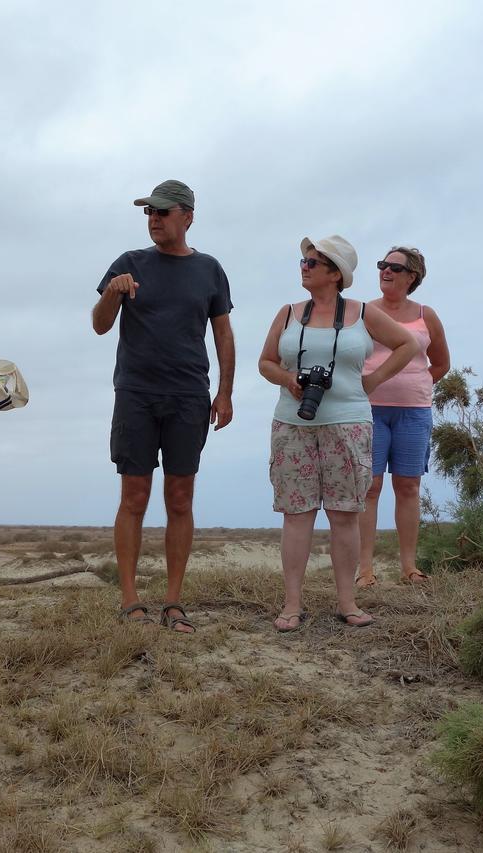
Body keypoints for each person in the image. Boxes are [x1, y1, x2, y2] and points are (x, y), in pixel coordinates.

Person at [92, 179, 234, 633]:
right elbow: (99, 326)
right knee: (134, 496)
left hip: (189, 395)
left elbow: (223, 335)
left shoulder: (209, 269)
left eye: (162, 212)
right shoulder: (129, 264)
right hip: (135, 393)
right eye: (148, 213)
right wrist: (113, 292)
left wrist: (225, 392)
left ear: (188, 216)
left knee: (180, 497)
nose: (154, 219)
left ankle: (174, 602)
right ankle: (130, 599)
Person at [258, 237, 415, 632]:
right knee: (297, 515)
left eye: (313, 262)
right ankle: (292, 604)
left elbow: (406, 344)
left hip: (348, 423)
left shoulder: (362, 313)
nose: (304, 267)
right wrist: (289, 379)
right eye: (303, 261)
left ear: (335, 273)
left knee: (345, 514)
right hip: (293, 424)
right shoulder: (289, 313)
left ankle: (349, 602)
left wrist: (373, 381)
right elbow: (265, 362)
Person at [357, 247, 449, 587]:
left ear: (412, 277)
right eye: (382, 265)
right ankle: (364, 570)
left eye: (395, 267)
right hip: (368, 410)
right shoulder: (364, 312)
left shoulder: (427, 315)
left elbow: (440, 364)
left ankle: (409, 567)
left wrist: (415, 385)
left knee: (408, 486)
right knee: (370, 487)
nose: (386, 271)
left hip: (414, 412)